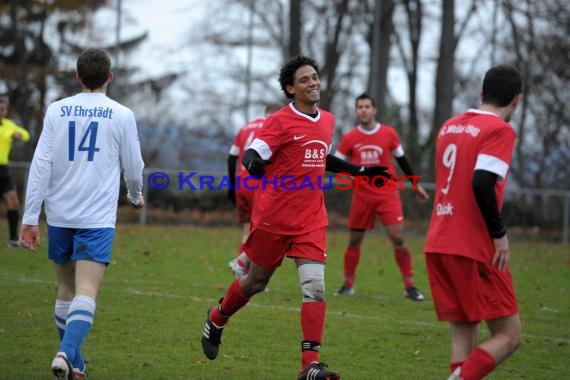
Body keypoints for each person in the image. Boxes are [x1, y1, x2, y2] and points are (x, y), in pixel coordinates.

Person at [200, 56, 389, 380]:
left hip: (311, 219)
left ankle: (309, 366)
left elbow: (321, 156)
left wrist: (359, 170)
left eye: (315, 77)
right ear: (291, 88)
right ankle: (217, 317)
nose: (313, 82)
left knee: (314, 288)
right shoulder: (278, 121)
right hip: (274, 218)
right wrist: (253, 163)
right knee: (255, 282)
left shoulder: (327, 120)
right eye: (304, 80)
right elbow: (254, 152)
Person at [19, 48, 145, 380]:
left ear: (77, 77)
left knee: (65, 290)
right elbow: (133, 165)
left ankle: (75, 363)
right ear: (110, 77)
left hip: (59, 215)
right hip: (96, 219)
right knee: (86, 290)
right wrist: (135, 195)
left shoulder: (56, 111)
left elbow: (41, 164)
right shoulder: (121, 114)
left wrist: (30, 217)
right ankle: (65, 352)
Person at [424, 65, 523, 380]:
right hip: (473, 245)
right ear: (516, 101)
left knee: (464, 330)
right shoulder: (500, 130)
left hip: (439, 241)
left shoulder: (450, 126)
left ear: (482, 93)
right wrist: (499, 234)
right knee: (509, 335)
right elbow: (481, 183)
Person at [333, 93, 429, 301]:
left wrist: (416, 184)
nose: (364, 110)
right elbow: (335, 163)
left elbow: (402, 160)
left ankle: (409, 286)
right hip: (362, 197)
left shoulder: (389, 134)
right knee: (355, 240)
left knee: (398, 238)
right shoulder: (350, 138)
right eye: (360, 107)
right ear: (356, 111)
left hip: (387, 195)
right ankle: (348, 284)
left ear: (374, 109)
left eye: (367, 106)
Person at [227, 102, 283, 278]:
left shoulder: (246, 127)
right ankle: (243, 264)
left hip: (241, 184)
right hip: (258, 184)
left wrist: (231, 185)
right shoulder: (272, 127)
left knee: (247, 231)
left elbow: (231, 157)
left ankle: (242, 276)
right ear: (275, 114)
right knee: (266, 232)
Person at [0, 96, 30, 247]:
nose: (1, 112)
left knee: (14, 203)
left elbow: (26, 135)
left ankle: (12, 239)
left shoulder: (9, 125)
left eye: (3, 109)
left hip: (3, 169)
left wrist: (18, 134)